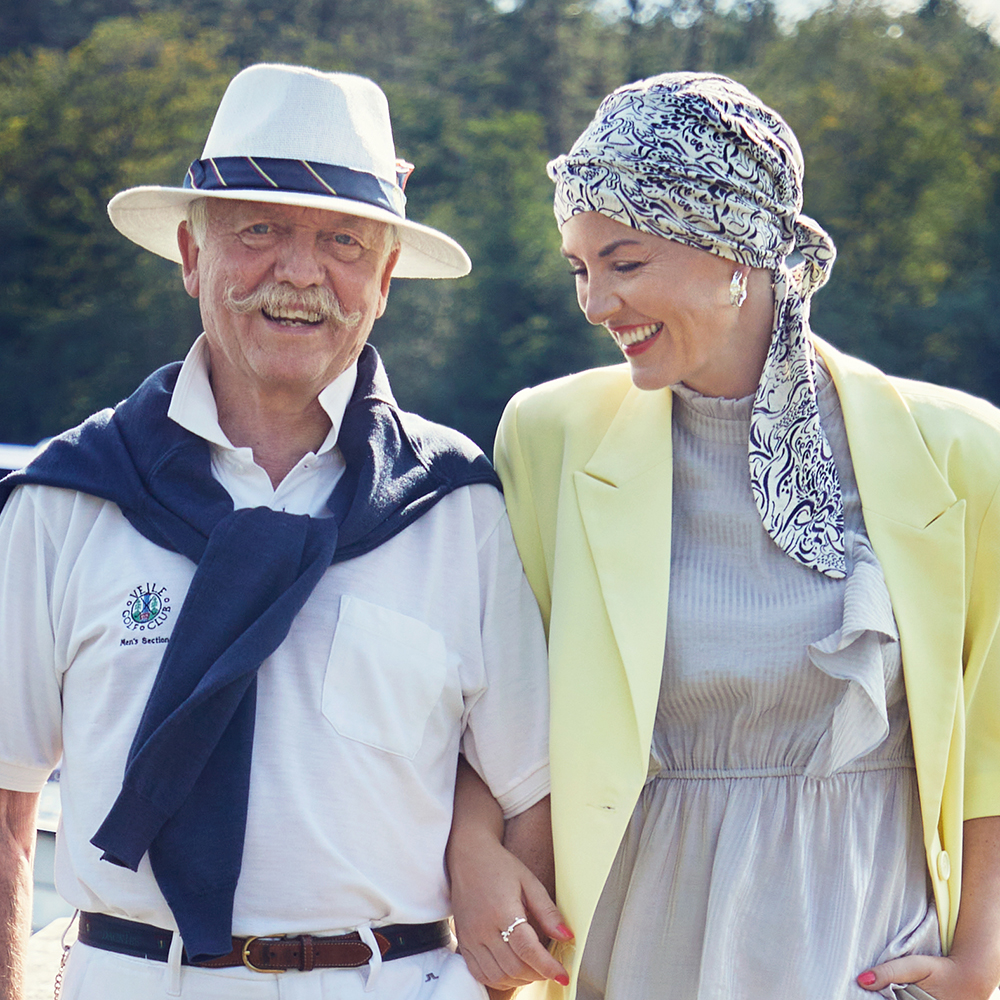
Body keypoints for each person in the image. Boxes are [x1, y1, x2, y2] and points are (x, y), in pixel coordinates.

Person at [0, 62, 567, 1000]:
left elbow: (532, 790)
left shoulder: (458, 507)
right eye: (259, 230)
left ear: (384, 279)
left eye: (343, 241)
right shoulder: (66, 499)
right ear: (191, 255)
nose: (300, 273)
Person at [451, 73, 1000, 1000]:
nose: (594, 304)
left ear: (734, 251)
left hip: (862, 938)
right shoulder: (546, 437)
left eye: (624, 264)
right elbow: (493, 690)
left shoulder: (961, 451)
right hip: (638, 938)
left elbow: (993, 727)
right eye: (578, 268)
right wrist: (472, 853)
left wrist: (984, 956)